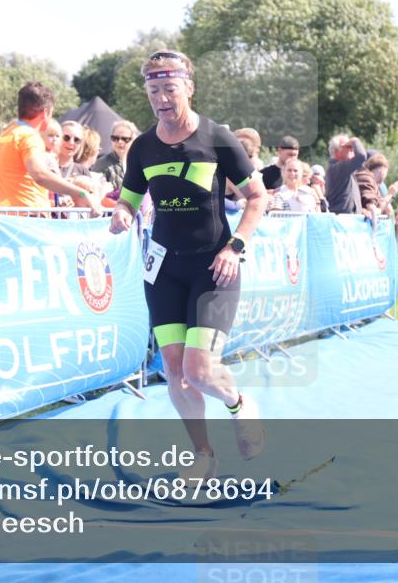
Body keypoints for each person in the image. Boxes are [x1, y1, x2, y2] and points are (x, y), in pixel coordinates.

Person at [108, 50, 269, 481]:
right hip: (163, 271)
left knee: (199, 371)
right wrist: (123, 213)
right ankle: (203, 454)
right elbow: (129, 196)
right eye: (153, 91)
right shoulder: (142, 146)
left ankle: (238, 405)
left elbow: (258, 198)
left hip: (213, 268)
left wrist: (234, 247)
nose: (161, 98)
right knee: (175, 374)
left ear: (189, 88)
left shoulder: (218, 138)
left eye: (169, 89)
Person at [0, 82, 101, 214]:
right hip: (30, 219)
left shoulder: (4, 136)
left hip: (7, 218)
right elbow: (39, 174)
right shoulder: (29, 136)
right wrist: (79, 193)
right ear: (46, 112)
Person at [92, 120, 138, 191]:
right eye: (115, 138)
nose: (120, 142)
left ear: (133, 140)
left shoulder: (138, 163)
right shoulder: (101, 164)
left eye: (125, 139)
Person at [326, 134, 367, 214]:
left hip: (348, 220)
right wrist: (355, 140)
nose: (353, 150)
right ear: (337, 150)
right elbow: (361, 157)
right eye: (349, 147)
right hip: (342, 221)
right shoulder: (337, 168)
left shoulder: (343, 169)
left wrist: (361, 210)